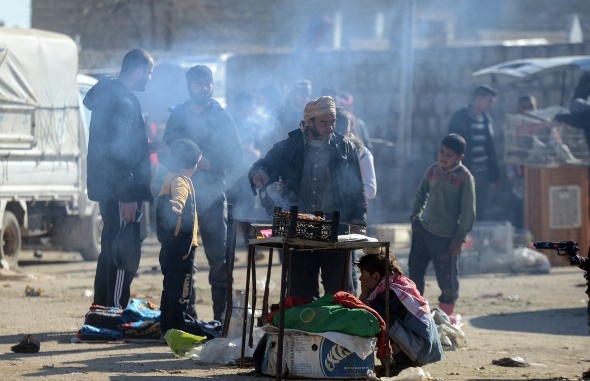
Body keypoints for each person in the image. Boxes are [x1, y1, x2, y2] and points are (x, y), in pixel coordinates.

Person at [248, 96, 367, 301]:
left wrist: (359, 222)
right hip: (299, 228)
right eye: (323, 123)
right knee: (301, 295)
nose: (330, 127)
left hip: (335, 228)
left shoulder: (346, 147)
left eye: (332, 122)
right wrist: (258, 173)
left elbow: (357, 189)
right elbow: (263, 164)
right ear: (308, 122)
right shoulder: (290, 146)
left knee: (340, 296)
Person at [163, 64, 243, 322]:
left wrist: (210, 162)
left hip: (212, 196)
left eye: (208, 83)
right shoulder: (178, 115)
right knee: (185, 258)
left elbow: (235, 156)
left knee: (219, 258)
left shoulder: (222, 117)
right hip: (183, 195)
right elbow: (168, 149)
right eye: (199, 83)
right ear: (190, 86)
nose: (204, 87)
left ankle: (222, 317)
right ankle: (188, 314)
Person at [84, 48, 154, 309]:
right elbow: (120, 150)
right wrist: (127, 195)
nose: (149, 77)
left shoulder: (107, 95)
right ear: (137, 71)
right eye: (149, 72)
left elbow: (118, 144)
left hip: (107, 187)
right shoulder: (123, 100)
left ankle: (101, 308)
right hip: (120, 191)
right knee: (122, 251)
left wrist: (147, 146)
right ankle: (114, 310)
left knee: (109, 247)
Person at [408, 133, 475, 321]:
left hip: (446, 238)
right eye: (441, 152)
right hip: (423, 231)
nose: (443, 157)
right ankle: (416, 314)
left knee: (447, 280)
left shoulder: (465, 178)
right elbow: (420, 194)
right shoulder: (432, 170)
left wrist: (459, 238)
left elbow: (468, 212)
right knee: (415, 271)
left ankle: (446, 317)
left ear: (460, 158)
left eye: (449, 155)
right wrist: (415, 217)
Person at [357, 252, 444, 375]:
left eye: (363, 275)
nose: (360, 279)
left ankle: (402, 363)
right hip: (423, 347)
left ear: (376, 276)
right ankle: (399, 363)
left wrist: (364, 293)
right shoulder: (397, 284)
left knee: (375, 319)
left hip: (420, 350)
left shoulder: (388, 294)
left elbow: (361, 315)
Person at [157, 138, 202, 335]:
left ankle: (165, 328)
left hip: (168, 247)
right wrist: (177, 203)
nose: (198, 166)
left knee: (168, 289)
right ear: (189, 164)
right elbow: (180, 195)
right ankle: (176, 330)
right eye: (196, 162)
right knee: (182, 292)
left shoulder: (169, 176)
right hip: (183, 248)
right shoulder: (181, 181)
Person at [448, 85, 500, 221]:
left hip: (483, 173)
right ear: (479, 98)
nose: (491, 105)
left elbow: (490, 150)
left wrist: (495, 176)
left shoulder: (487, 121)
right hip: (465, 172)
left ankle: (477, 239)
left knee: (481, 209)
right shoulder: (459, 118)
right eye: (489, 101)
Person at [505, 95, 538, 230]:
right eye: (524, 107)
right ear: (519, 110)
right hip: (521, 183)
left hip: (540, 182)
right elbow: (509, 157)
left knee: (538, 218)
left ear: (537, 108)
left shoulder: (545, 128)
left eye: (531, 106)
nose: (528, 110)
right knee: (520, 219)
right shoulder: (514, 129)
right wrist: (514, 180)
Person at [272, 79, 312, 144]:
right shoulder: (279, 114)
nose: (305, 99)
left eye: (307, 96)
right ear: (292, 96)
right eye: (302, 96)